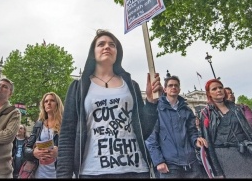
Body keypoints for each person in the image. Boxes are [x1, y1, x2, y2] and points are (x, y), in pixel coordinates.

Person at [56, 29, 163, 179]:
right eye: (101, 44)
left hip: (135, 170)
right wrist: (63, 175)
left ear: (117, 53)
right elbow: (67, 135)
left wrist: (151, 103)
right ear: (93, 52)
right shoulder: (78, 88)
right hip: (92, 172)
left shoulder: (131, 86)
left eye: (112, 45)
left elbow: (143, 131)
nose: (107, 47)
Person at [199, 79, 252, 178]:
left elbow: (251, 134)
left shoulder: (236, 108)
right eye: (214, 89)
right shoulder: (206, 113)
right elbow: (209, 145)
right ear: (209, 93)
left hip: (247, 152)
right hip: (226, 159)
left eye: (220, 87)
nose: (218, 90)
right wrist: (218, 173)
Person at [145, 75, 208, 178]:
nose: (173, 87)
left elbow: (192, 132)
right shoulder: (156, 109)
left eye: (176, 85)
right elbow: (150, 137)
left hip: (191, 161)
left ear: (179, 89)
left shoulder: (187, 110)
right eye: (170, 85)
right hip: (169, 164)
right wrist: (158, 161)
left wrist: (196, 141)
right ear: (165, 89)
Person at [24, 92, 64, 178]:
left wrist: (59, 152)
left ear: (57, 104)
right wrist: (33, 152)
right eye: (46, 101)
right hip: (39, 173)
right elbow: (26, 148)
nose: (48, 103)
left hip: (58, 173)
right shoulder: (39, 124)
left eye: (52, 100)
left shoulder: (65, 124)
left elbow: (74, 147)